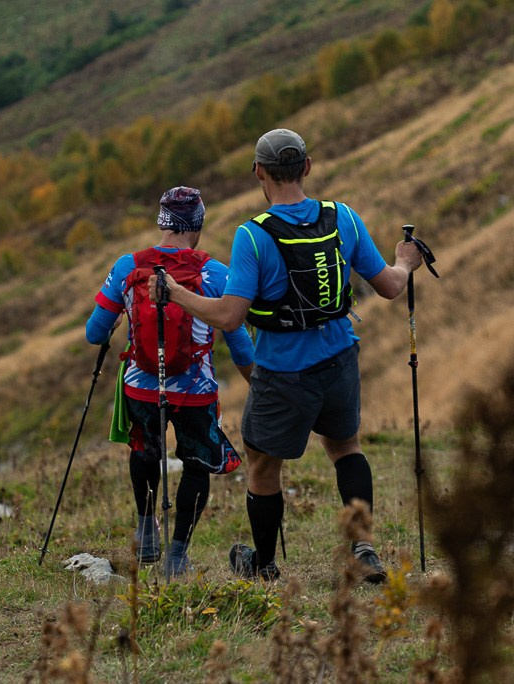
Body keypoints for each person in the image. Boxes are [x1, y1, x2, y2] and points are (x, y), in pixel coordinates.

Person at [150, 129, 423, 583]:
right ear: (308, 166)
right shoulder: (344, 218)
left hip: (281, 372)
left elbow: (232, 317)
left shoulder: (252, 237)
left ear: (259, 172)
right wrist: (405, 260)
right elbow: (391, 286)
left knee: (262, 463)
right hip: (340, 360)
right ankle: (364, 548)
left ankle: (264, 562)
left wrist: (177, 293)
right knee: (346, 447)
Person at [85, 186, 254, 579]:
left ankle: (146, 530)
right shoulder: (216, 273)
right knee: (195, 466)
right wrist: (257, 383)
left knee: (144, 451)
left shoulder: (128, 265)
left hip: (141, 388)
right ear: (197, 223)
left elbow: (96, 333)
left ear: (161, 221)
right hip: (196, 393)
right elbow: (240, 343)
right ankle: (177, 556)